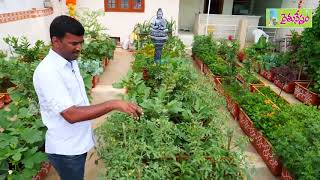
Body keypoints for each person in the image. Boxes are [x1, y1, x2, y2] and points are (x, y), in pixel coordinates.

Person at [33, 15, 143, 180]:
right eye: (74, 43)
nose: (79, 48)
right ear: (56, 42)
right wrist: (113, 103)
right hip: (67, 150)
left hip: (78, 142)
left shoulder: (69, 60)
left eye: (81, 43)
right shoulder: (48, 72)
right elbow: (71, 114)